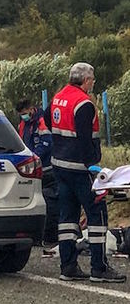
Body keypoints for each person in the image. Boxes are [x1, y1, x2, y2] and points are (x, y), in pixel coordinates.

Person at [51, 62, 125, 282]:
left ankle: (68, 266)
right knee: (97, 214)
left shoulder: (59, 96)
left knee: (67, 218)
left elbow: (48, 119)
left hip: (60, 165)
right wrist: (94, 168)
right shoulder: (83, 103)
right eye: (92, 79)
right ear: (85, 80)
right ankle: (99, 268)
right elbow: (85, 139)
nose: (93, 83)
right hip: (80, 169)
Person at [15, 99, 59, 256]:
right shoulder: (23, 123)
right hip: (31, 168)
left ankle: (50, 236)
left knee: (50, 201)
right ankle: (38, 235)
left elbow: (47, 143)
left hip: (46, 168)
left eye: (25, 113)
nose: (23, 117)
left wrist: (32, 158)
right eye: (21, 115)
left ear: (31, 109)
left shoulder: (41, 121)